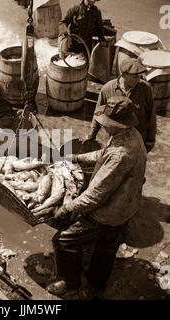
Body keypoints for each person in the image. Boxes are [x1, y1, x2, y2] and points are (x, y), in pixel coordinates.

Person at [47, 96, 147, 299]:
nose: (104, 126)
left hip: (107, 212)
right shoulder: (131, 134)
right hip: (126, 208)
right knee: (107, 245)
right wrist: (76, 158)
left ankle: (69, 284)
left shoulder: (121, 155)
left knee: (64, 241)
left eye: (107, 123)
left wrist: (67, 208)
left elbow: (95, 196)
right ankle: (96, 281)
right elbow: (104, 154)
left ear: (117, 124)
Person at [85, 57, 156, 153]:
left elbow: (151, 115)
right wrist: (91, 135)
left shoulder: (145, 89)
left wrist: (150, 139)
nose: (138, 80)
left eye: (140, 76)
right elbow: (98, 113)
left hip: (139, 140)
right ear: (123, 75)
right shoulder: (107, 89)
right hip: (116, 140)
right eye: (135, 77)